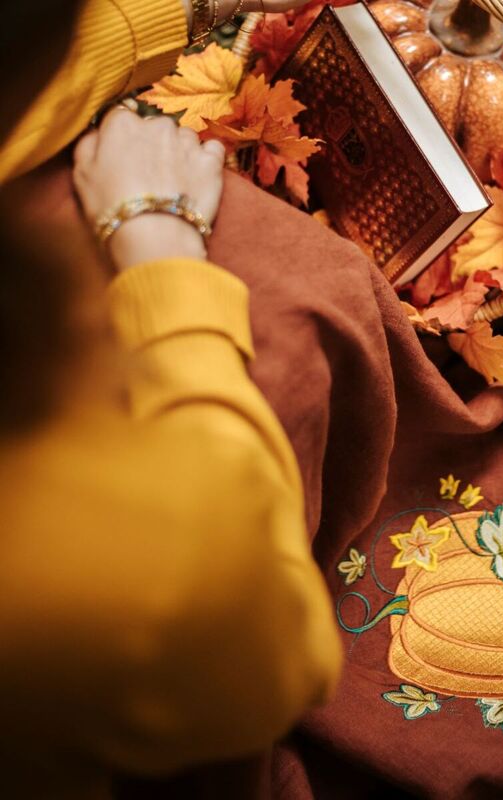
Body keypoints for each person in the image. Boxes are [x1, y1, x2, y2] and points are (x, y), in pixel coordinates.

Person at [0, 1, 342, 797]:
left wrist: (180, 11)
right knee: (290, 306)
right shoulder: (93, 556)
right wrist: (158, 244)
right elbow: (285, 660)